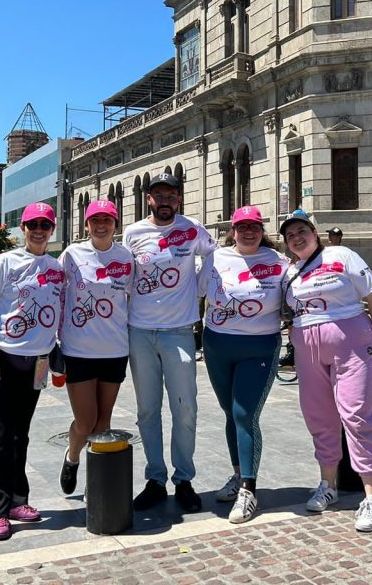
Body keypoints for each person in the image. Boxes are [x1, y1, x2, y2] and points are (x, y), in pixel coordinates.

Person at [280, 210, 372, 533]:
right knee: (319, 417)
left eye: (302, 231)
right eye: (290, 235)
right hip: (307, 347)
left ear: (315, 233)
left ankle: (371, 496)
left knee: (357, 415)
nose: (297, 238)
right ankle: (327, 485)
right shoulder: (291, 271)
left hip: (351, 342)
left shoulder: (340, 254)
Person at [123, 172, 217, 513]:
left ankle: (184, 478)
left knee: (185, 408)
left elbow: (216, 255)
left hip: (179, 332)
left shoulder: (192, 229)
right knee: (148, 410)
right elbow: (125, 274)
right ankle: (155, 478)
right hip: (140, 332)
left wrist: (200, 287)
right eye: (158, 195)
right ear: (149, 198)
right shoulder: (133, 232)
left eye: (171, 195)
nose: (165, 201)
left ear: (179, 198)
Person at [0, 202, 64, 541]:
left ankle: (18, 500)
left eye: (45, 225)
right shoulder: (6, 262)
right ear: (23, 229)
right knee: (2, 435)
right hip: (3, 358)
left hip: (37, 362)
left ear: (52, 229)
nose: (38, 230)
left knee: (21, 434)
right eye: (33, 225)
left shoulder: (57, 268)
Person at [198, 206, 289, 524]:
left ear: (262, 231)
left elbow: (297, 299)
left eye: (255, 226)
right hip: (217, 346)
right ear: (232, 231)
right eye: (242, 227)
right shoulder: (216, 258)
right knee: (230, 413)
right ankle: (238, 474)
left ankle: (249, 489)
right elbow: (195, 293)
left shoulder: (280, 262)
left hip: (259, 347)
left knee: (245, 414)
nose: (249, 232)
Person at [57, 199, 133, 496]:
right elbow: (53, 291)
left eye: (107, 220)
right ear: (86, 225)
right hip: (79, 350)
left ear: (115, 224)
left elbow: (137, 297)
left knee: (103, 421)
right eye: (95, 220)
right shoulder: (72, 255)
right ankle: (73, 456)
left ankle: (95, 480)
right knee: (86, 420)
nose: (101, 225)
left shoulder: (126, 257)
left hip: (115, 349)